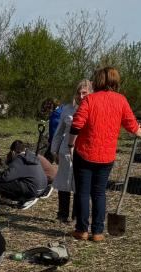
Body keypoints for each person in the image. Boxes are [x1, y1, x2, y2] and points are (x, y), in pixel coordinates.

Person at [68, 67, 141, 242]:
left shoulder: (90, 100)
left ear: (98, 81)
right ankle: (98, 232)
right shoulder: (121, 100)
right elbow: (132, 125)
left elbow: (77, 124)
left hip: (85, 152)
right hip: (106, 155)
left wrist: (70, 143)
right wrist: (139, 131)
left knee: (83, 192)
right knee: (99, 193)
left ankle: (82, 230)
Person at [50, 80, 93, 223]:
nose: (81, 96)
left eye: (84, 93)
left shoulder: (93, 109)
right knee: (64, 182)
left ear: (90, 93)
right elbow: (59, 131)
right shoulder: (67, 110)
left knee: (79, 183)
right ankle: (62, 213)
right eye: (78, 93)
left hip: (83, 150)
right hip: (66, 150)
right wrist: (54, 150)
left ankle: (76, 215)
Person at [0, 140, 49, 209]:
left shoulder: (19, 160)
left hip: (33, 189)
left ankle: (26, 199)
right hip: (42, 187)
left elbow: (6, 177)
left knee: (0, 186)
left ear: (13, 152)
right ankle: (28, 197)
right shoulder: (31, 156)